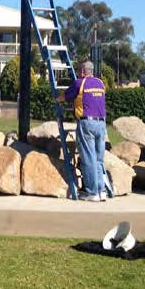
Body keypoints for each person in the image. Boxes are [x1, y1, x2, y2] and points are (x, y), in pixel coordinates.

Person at [64, 61, 107, 202]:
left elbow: (65, 96)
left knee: (89, 158)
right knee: (99, 159)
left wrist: (56, 99)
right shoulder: (100, 83)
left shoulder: (79, 83)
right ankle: (102, 190)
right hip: (101, 123)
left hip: (87, 123)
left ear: (82, 71)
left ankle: (91, 192)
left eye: (79, 71)